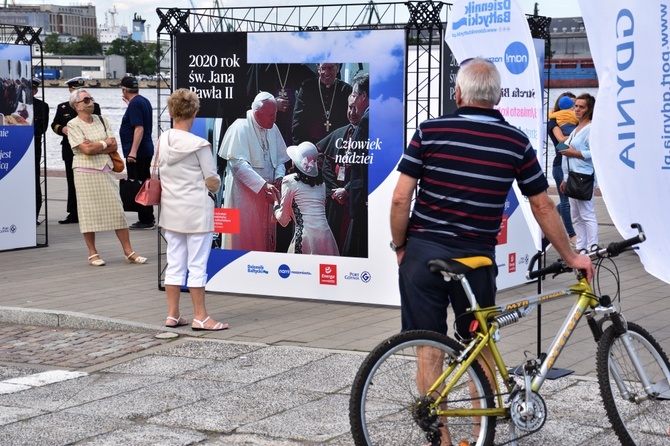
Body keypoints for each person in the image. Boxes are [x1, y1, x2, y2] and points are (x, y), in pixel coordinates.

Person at [391, 58, 594, 446]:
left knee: (428, 345)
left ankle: (442, 438)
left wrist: (401, 246)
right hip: (475, 260)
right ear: (498, 96)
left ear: (458, 93)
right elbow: (543, 206)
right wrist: (572, 257)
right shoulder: (515, 140)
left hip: (422, 254)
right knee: (478, 344)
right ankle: (481, 430)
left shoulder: (429, 131)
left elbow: (401, 199)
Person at [158, 89, 227, 331]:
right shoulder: (200, 144)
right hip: (197, 212)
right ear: (195, 112)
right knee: (197, 264)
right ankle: (201, 317)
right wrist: (212, 187)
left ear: (170, 111)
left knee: (175, 262)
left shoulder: (163, 139)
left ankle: (172, 314)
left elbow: (154, 172)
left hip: (171, 210)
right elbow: (212, 179)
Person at [66, 88, 147, 267]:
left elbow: (114, 145)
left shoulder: (102, 119)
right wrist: (104, 143)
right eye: (86, 100)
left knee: (118, 211)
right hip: (85, 174)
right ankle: (92, 253)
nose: (91, 102)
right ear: (76, 105)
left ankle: (129, 252)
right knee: (88, 214)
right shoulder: (73, 125)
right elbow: (86, 150)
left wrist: (97, 146)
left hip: (106, 171)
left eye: (91, 99)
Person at [218, 91, 290, 252]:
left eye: (275, 114)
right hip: (246, 196)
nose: (275, 119)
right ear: (257, 114)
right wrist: (263, 184)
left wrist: (279, 176)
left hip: (267, 195)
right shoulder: (240, 126)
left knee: (264, 238)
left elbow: (280, 160)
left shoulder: (272, 127)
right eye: (271, 115)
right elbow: (238, 164)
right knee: (245, 235)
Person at [273, 141, 339, 255]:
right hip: (326, 237)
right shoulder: (322, 184)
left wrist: (275, 202)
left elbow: (283, 220)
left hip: (305, 238)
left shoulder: (289, 181)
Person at [51, 77, 101, 224]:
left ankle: (92, 212)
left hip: (88, 148)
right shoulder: (63, 107)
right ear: (70, 91)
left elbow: (98, 123)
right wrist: (62, 129)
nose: (77, 93)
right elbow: (54, 124)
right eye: (74, 90)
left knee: (91, 181)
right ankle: (73, 213)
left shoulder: (94, 106)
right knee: (72, 182)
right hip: (70, 149)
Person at [560, 93, 598, 254]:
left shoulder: (591, 128)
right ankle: (581, 246)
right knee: (576, 214)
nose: (577, 109)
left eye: (581, 107)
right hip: (572, 176)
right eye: (576, 106)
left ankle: (592, 246)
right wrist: (564, 178)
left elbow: (595, 152)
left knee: (586, 213)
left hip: (584, 176)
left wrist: (574, 153)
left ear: (589, 110)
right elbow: (567, 151)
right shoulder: (577, 128)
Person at [119, 75, 156, 230]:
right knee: (143, 183)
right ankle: (148, 217)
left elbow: (138, 128)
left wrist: (132, 152)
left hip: (138, 153)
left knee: (139, 185)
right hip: (145, 149)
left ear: (124, 90)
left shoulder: (135, 104)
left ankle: (146, 219)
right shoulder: (142, 101)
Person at [342, 71, 370, 258]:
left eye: (354, 94)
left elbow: (359, 162)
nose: (352, 98)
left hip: (362, 200)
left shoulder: (367, 119)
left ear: (363, 96)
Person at [292, 63, 352, 145]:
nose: (326, 73)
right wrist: (298, 146)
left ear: (337, 68)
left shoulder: (346, 90)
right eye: (323, 68)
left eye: (330, 68)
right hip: (311, 143)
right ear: (318, 68)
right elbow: (297, 120)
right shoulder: (307, 87)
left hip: (336, 143)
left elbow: (349, 122)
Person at [548, 92, 577, 246]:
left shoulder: (576, 121)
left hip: (574, 164)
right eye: (573, 105)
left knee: (571, 202)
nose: (575, 109)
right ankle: (572, 236)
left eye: (577, 105)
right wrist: (579, 134)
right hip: (560, 165)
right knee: (566, 202)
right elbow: (559, 142)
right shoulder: (554, 122)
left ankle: (547, 219)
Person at [32, 78, 49, 222]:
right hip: (14, 148)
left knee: (34, 182)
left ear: (36, 91)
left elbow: (42, 128)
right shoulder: (11, 105)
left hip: (33, 149)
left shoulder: (41, 106)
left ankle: (34, 215)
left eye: (32, 88)